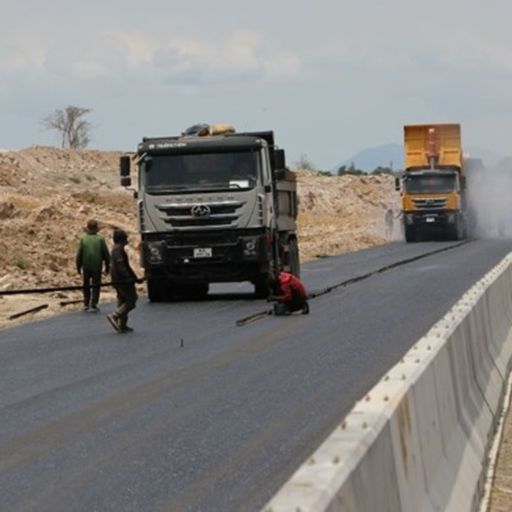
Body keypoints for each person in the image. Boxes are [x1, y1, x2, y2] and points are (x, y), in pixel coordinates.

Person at [107, 229, 141, 333]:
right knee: (132, 299)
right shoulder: (118, 250)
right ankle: (115, 316)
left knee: (122, 300)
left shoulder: (118, 249)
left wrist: (135, 278)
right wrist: (128, 278)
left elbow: (127, 266)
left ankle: (122, 325)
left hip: (117, 279)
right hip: (121, 279)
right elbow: (122, 267)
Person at [76, 219, 110, 312]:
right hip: (97, 266)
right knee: (96, 285)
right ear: (96, 229)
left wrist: (78, 266)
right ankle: (94, 303)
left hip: (86, 266)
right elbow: (106, 254)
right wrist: (107, 266)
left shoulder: (83, 239)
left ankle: (86, 303)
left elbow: (79, 254)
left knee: (86, 284)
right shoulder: (100, 239)